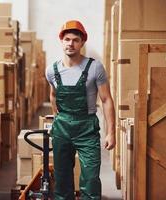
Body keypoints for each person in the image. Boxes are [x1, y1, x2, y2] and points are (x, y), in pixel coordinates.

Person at [45, 20, 116, 200]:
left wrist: (111, 133)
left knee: (91, 180)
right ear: (61, 41)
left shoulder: (95, 67)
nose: (71, 43)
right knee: (62, 181)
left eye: (75, 40)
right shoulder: (51, 70)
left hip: (87, 128)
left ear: (82, 42)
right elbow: (53, 95)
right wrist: (57, 118)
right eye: (67, 39)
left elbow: (106, 99)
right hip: (62, 129)